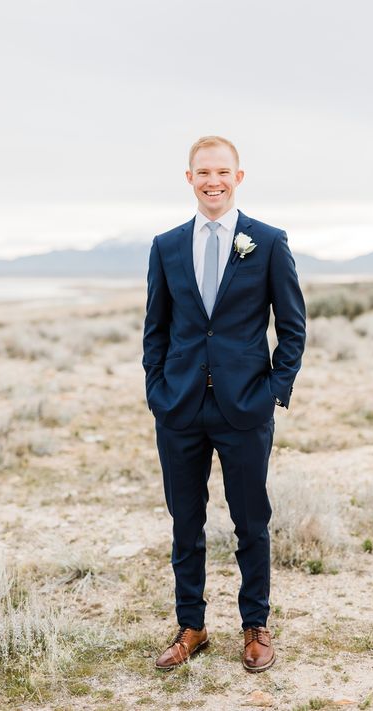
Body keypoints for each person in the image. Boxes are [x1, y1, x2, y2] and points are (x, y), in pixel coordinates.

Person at [142, 135, 306, 672]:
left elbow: (293, 327)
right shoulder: (165, 245)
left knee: (251, 520)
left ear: (238, 177)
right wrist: (158, 392)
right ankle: (191, 625)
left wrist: (273, 391)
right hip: (181, 408)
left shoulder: (269, 241)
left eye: (222, 172)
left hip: (245, 408)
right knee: (185, 523)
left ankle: (255, 625)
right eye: (202, 173)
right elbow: (156, 331)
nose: (212, 181)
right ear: (189, 179)